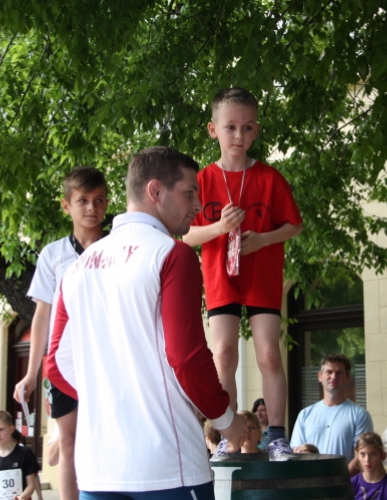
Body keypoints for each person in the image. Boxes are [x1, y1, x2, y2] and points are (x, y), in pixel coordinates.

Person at [46, 146, 247, 498]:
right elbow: (186, 357)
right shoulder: (173, 253)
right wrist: (228, 422)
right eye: (189, 192)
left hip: (99, 468)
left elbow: (56, 366)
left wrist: (111, 398)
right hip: (168, 464)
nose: (198, 205)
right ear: (155, 191)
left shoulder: (76, 269)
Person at [182, 87, 303, 462]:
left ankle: (278, 436)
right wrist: (220, 228)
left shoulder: (270, 178)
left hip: (261, 276)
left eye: (247, 128)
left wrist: (263, 238)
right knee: (224, 354)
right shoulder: (200, 181)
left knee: (269, 353)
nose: (239, 136)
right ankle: (227, 436)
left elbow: (293, 226)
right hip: (220, 278)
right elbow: (186, 236)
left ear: (256, 131)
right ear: (213, 129)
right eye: (231, 127)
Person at [14, 166, 109, 500]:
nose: (91, 208)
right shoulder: (53, 254)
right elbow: (42, 315)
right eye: (82, 200)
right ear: (66, 205)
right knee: (69, 442)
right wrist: (30, 373)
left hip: (107, 361)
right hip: (64, 363)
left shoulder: (118, 248)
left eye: (98, 200)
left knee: (106, 438)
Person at [290, 353, 372, 472]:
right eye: (329, 372)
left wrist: (336, 480)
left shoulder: (360, 415)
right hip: (309, 485)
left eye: (339, 373)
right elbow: (296, 452)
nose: (334, 377)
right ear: (319, 376)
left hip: (344, 487)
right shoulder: (305, 414)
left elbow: (361, 457)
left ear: (348, 378)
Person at [0, 411, 39, 500]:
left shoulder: (25, 453)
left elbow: (31, 485)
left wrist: (22, 497)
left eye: (1, 429)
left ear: (11, 429)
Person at [351, 432, 387, 500]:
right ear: (357, 455)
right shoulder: (352, 484)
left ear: (382, 456)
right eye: (362, 454)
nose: (367, 460)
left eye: (372, 454)